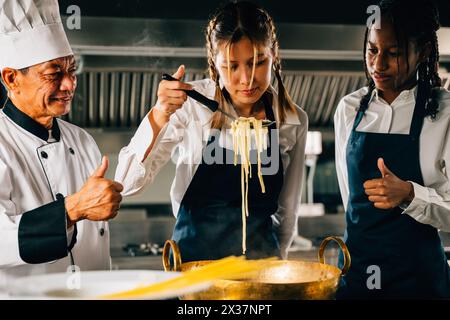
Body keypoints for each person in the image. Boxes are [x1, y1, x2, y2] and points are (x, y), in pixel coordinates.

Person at [115, 1, 307, 262]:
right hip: (194, 268)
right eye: (232, 66)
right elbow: (126, 185)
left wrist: (276, 265)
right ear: (214, 64)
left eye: (258, 62)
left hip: (261, 270)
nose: (246, 79)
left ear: (274, 55)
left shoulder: (292, 119)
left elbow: (288, 210)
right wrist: (160, 114)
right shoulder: (192, 106)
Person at [0, 0, 123, 289]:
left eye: (71, 69)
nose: (69, 84)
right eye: (54, 73)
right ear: (11, 78)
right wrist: (72, 210)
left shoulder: (82, 141)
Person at [334, 0, 450, 299]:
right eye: (372, 50)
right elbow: (351, 201)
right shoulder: (349, 109)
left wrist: (411, 194)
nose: (378, 64)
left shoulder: (444, 113)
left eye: (394, 53)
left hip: (419, 281)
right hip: (356, 274)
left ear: (423, 50)